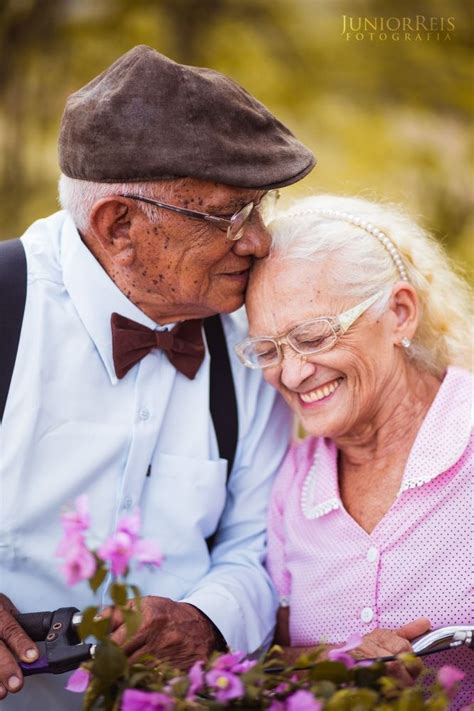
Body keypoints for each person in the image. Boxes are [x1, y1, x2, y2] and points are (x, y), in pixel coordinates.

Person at [0, 45, 315, 708]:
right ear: (119, 225)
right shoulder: (6, 304)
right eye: (231, 214)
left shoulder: (254, 346)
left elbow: (258, 543)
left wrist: (207, 617)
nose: (257, 241)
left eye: (262, 207)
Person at [238, 194, 473, 707]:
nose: (293, 374)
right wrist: (339, 663)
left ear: (400, 314)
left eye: (315, 336)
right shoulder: (295, 480)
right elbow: (272, 658)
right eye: (268, 350)